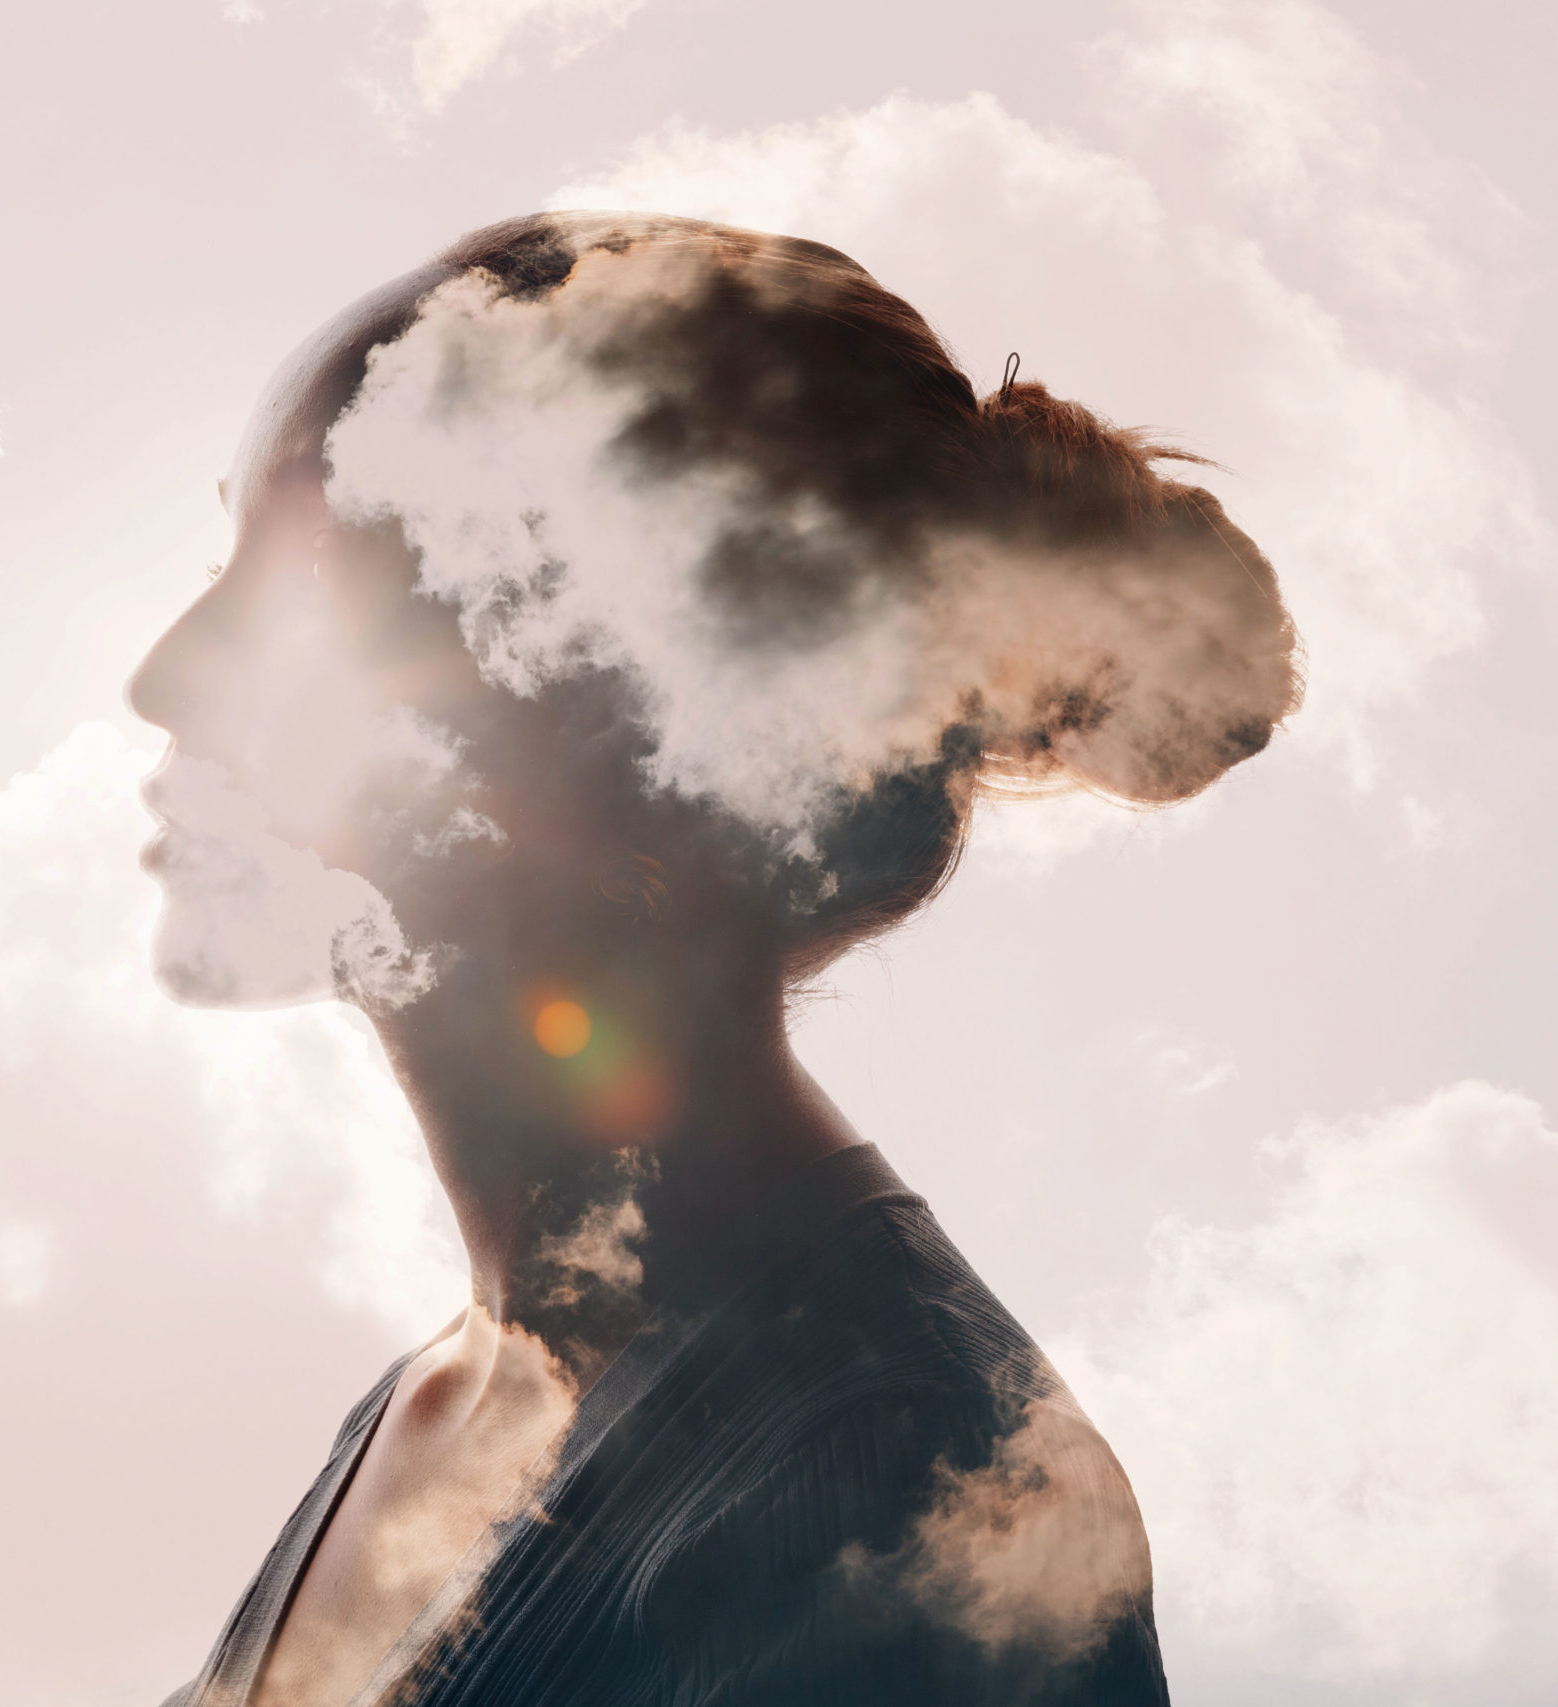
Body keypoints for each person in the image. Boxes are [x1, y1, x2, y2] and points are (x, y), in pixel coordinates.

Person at [129, 213, 1298, 1707]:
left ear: (625, 717)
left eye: (318, 580)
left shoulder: (886, 1488)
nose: (164, 678)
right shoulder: (432, 1402)